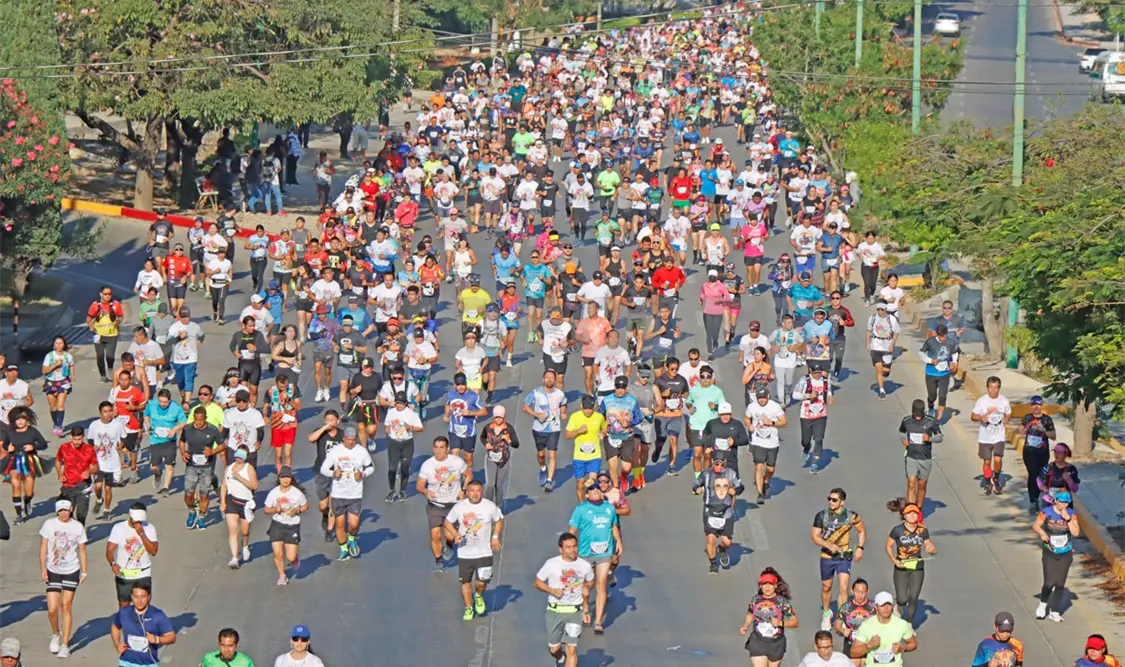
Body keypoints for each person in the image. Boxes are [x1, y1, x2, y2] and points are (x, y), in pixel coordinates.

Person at [444, 479, 505, 621]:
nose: (475, 494)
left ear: (482, 492)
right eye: (472, 491)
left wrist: (495, 537)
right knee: (465, 582)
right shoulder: (460, 507)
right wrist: (455, 534)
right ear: (467, 492)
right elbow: (448, 522)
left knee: (481, 582)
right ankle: (468, 608)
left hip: (484, 551)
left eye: (478, 491)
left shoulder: (490, 506)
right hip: (465, 552)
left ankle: (478, 595)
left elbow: (499, 521)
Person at [568, 478, 622, 634]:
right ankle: (585, 607)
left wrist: (618, 542)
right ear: (587, 495)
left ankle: (598, 622)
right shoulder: (581, 509)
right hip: (586, 553)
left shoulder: (609, 508)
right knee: (586, 585)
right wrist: (569, 549)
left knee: (601, 584)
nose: (597, 491)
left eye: (598, 489)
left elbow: (613, 526)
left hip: (605, 552)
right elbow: (572, 530)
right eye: (593, 490)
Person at [533, 532, 594, 667]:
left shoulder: (585, 565)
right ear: (561, 549)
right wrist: (552, 591)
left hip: (574, 612)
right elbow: (537, 582)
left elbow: (590, 581)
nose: (572, 550)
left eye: (574, 546)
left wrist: (587, 589)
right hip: (555, 611)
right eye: (568, 547)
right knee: (554, 648)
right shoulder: (551, 564)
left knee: (571, 649)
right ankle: (560, 658)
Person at [39, 498, 88, 658]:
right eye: (61, 510)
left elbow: (81, 550)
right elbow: (43, 547)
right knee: (52, 609)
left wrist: (84, 571)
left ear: (71, 510)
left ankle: (65, 644)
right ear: (56, 511)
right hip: (53, 569)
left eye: (66, 510)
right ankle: (56, 634)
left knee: (66, 606)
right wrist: (42, 569)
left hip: (71, 570)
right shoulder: (49, 524)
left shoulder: (77, 527)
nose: (64, 513)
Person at [811, 488, 866, 631]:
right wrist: (828, 545)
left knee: (843, 588)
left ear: (842, 502)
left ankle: (841, 618)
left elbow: (861, 531)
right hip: (827, 557)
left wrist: (860, 548)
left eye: (834, 500)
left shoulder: (851, 516)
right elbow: (815, 536)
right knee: (826, 587)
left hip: (844, 557)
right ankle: (826, 613)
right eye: (829, 499)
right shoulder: (822, 515)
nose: (831, 502)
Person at [319, 426, 374, 561]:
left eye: (353, 440)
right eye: (348, 440)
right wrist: (333, 473)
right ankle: (343, 549)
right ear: (343, 439)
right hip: (338, 494)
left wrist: (362, 474)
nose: (351, 442)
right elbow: (323, 469)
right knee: (340, 524)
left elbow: (371, 467)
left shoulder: (362, 451)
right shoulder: (335, 451)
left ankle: (352, 538)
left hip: (355, 494)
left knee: (354, 524)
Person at [418, 437, 470, 571]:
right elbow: (420, 485)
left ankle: (449, 545)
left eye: (442, 447)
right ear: (433, 448)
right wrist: (425, 491)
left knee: (450, 536)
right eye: (436, 447)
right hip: (435, 505)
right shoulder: (427, 465)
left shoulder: (457, 462)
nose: (438, 451)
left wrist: (464, 490)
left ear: (447, 449)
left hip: (453, 505)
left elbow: (469, 475)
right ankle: (438, 560)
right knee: (435, 534)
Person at [884, 499, 935, 626]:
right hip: (901, 567)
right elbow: (888, 546)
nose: (912, 516)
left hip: (917, 568)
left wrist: (931, 549)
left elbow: (929, 545)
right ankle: (899, 606)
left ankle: (909, 624)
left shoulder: (922, 530)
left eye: (915, 513)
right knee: (902, 599)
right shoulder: (897, 530)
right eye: (909, 513)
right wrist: (894, 560)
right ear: (904, 515)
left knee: (913, 598)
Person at [1032, 489, 1080, 621]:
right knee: (1049, 582)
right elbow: (1036, 525)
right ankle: (1042, 605)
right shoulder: (1047, 512)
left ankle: (1055, 611)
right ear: (1055, 500)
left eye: (1066, 502)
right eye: (1061, 501)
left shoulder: (1071, 514)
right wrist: (1042, 533)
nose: (1063, 505)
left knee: (1059, 584)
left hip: (1065, 552)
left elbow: (1076, 533)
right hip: (1050, 551)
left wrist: (1068, 519)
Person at [740, 568, 799, 667]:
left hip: (776, 644)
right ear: (760, 585)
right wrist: (745, 626)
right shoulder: (756, 599)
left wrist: (780, 623)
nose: (767, 587)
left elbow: (795, 622)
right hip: (758, 642)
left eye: (770, 584)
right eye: (764, 584)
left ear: (775, 585)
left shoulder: (782, 602)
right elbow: (750, 613)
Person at [694, 454, 742, 573]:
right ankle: (713, 564)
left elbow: (741, 487)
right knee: (711, 539)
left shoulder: (730, 473)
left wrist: (735, 491)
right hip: (710, 511)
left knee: (727, 542)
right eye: (717, 464)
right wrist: (697, 489)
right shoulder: (706, 474)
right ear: (712, 462)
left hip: (726, 512)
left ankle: (722, 549)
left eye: (722, 464)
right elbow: (695, 484)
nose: (719, 467)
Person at [110, 581, 175, 667]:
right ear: (132, 597)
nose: (139, 600)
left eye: (143, 597)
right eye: (136, 597)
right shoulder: (124, 612)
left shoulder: (157, 615)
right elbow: (115, 627)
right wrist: (117, 644)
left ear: (148, 597)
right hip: (126, 663)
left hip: (149, 664)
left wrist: (157, 639)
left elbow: (172, 636)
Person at [106, 502, 158, 608]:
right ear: (130, 515)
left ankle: (141, 624)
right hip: (124, 574)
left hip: (143, 573)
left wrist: (142, 534)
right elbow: (109, 551)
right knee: (124, 608)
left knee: (142, 606)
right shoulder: (118, 528)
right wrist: (113, 563)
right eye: (136, 519)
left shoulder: (149, 528)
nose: (138, 522)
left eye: (140, 520)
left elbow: (153, 551)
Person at [522, 370, 567, 492]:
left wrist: (563, 413)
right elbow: (525, 406)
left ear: (555, 379)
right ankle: (543, 468)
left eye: (552, 378)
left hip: (554, 428)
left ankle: (549, 481)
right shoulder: (536, 393)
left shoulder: (559, 394)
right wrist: (536, 414)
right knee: (541, 454)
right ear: (543, 379)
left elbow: (564, 403)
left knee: (552, 454)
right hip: (539, 428)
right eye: (547, 378)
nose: (549, 380)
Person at [179, 406, 223, 530]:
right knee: (189, 493)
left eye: (201, 420)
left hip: (207, 466)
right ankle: (192, 511)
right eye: (196, 420)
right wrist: (183, 453)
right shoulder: (187, 429)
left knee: (204, 494)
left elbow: (223, 445)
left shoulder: (213, 430)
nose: (198, 423)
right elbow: (181, 442)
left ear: (205, 418)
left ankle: (202, 517)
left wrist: (212, 451)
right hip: (191, 466)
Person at [264, 466, 308, 586]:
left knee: (290, 556)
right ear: (279, 478)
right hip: (277, 524)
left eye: (287, 477)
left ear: (291, 478)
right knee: (278, 553)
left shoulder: (296, 493)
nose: (285, 480)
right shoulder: (274, 493)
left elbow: (305, 506)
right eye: (283, 477)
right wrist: (274, 509)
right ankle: (282, 575)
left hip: (292, 525)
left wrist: (297, 511)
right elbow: (266, 509)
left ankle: (295, 559)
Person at [850, 591, 917, 667]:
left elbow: (913, 643)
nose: (886, 608)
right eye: (882, 605)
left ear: (892, 606)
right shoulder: (866, 626)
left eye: (889, 605)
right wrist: (868, 645)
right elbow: (853, 652)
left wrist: (902, 648)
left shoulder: (901, 624)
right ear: (876, 607)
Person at [898, 399, 942, 512]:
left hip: (925, 458)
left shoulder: (931, 421)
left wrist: (930, 439)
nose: (918, 417)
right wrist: (903, 440)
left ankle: (919, 509)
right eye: (916, 414)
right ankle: (910, 510)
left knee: (921, 485)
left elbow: (940, 437)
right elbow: (901, 432)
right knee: (911, 483)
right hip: (911, 457)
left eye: (920, 414)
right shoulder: (906, 421)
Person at [970, 375, 1011, 495]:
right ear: (987, 388)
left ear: (999, 388)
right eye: (991, 387)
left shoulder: (1004, 401)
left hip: (999, 436)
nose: (993, 390)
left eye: (996, 387)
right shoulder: (982, 401)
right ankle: (988, 482)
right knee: (987, 461)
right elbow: (973, 416)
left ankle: (996, 478)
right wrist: (980, 418)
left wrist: (1006, 419)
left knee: (998, 460)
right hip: (985, 437)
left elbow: (1008, 413)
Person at [745, 388, 787, 503]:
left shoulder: (775, 407)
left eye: (764, 398)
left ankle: (766, 482)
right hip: (757, 441)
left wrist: (772, 423)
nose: (762, 400)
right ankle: (760, 494)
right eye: (760, 398)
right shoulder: (752, 407)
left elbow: (784, 422)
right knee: (759, 467)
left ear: (768, 396)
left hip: (772, 442)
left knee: (770, 468)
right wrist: (749, 425)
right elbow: (747, 418)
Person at [565, 395, 608, 502]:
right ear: (581, 406)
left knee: (592, 481)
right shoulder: (575, 417)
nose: (588, 411)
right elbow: (567, 435)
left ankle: (591, 502)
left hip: (595, 455)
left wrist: (603, 433)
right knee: (580, 485)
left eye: (590, 408)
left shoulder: (599, 417)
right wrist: (578, 431)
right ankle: (581, 506)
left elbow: (605, 427)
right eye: (585, 408)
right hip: (579, 456)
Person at [221, 447, 259, 569]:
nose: (238, 459)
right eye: (237, 456)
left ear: (245, 457)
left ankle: (245, 546)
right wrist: (222, 502)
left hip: (245, 503)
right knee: (233, 530)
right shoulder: (229, 468)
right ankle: (234, 558)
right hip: (231, 501)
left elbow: (254, 485)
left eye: (241, 457)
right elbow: (224, 485)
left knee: (245, 531)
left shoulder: (249, 468)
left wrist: (240, 478)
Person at [55, 426, 98, 525]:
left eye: (79, 439)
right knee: (67, 513)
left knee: (81, 515)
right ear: (71, 437)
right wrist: (60, 473)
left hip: (83, 486)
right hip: (67, 485)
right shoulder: (64, 447)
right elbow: (58, 460)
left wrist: (89, 472)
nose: (77, 442)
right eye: (74, 439)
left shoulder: (89, 449)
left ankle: (80, 536)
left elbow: (96, 467)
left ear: (83, 437)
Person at [479, 405, 520, 510]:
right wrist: (486, 444)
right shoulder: (488, 427)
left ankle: (498, 507)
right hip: (491, 459)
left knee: (499, 485)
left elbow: (516, 444)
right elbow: (482, 437)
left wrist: (509, 440)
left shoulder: (509, 429)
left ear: (504, 417)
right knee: (490, 484)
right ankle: (486, 506)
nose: (498, 419)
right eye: (496, 417)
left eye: (500, 417)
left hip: (503, 460)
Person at [1022, 396, 1058, 513]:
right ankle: (1033, 501)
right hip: (1029, 452)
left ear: (1042, 406)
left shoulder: (1047, 420)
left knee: (1040, 476)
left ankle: (1039, 499)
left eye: (1039, 404)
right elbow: (1020, 429)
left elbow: (1053, 436)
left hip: (1042, 453)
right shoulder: (1027, 418)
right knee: (1033, 474)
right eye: (1034, 405)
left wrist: (1043, 430)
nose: (1036, 407)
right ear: (1031, 406)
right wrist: (1025, 428)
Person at [834, 578, 877, 667]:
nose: (860, 595)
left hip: (869, 643)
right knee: (855, 664)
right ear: (852, 591)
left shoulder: (874, 607)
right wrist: (843, 630)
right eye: (857, 592)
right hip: (851, 643)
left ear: (868, 591)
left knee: (865, 664)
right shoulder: (845, 607)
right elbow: (837, 625)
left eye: (863, 592)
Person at [918, 324, 957, 421]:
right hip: (931, 373)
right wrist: (930, 361)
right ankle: (931, 407)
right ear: (937, 335)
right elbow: (921, 353)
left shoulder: (951, 342)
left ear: (946, 334)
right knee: (932, 396)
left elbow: (955, 352)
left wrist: (954, 362)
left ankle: (938, 419)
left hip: (944, 374)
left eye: (944, 336)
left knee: (943, 396)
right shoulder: (930, 342)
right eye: (940, 337)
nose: (942, 339)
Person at [865, 301, 899, 400]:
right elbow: (868, 331)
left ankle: (886, 372)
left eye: (882, 309)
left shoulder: (891, 319)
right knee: (879, 368)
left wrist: (892, 345)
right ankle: (881, 390)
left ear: (885, 310)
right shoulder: (873, 318)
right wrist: (868, 343)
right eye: (878, 309)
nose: (880, 311)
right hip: (876, 345)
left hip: (887, 345)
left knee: (886, 371)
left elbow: (896, 333)